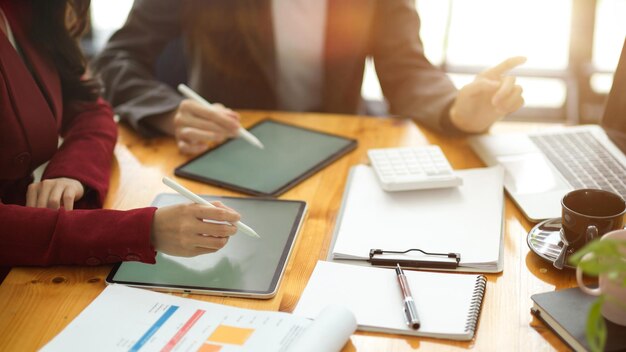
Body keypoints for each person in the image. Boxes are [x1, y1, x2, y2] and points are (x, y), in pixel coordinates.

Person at [93, 0, 526, 155]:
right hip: (226, 148)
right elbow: (119, 57)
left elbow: (406, 68)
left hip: (332, 148)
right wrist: (168, 112)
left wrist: (456, 110)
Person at [0, 0, 241, 273]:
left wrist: (72, 172)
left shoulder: (25, 9)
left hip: (42, 251)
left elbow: (91, 108)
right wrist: (143, 231)